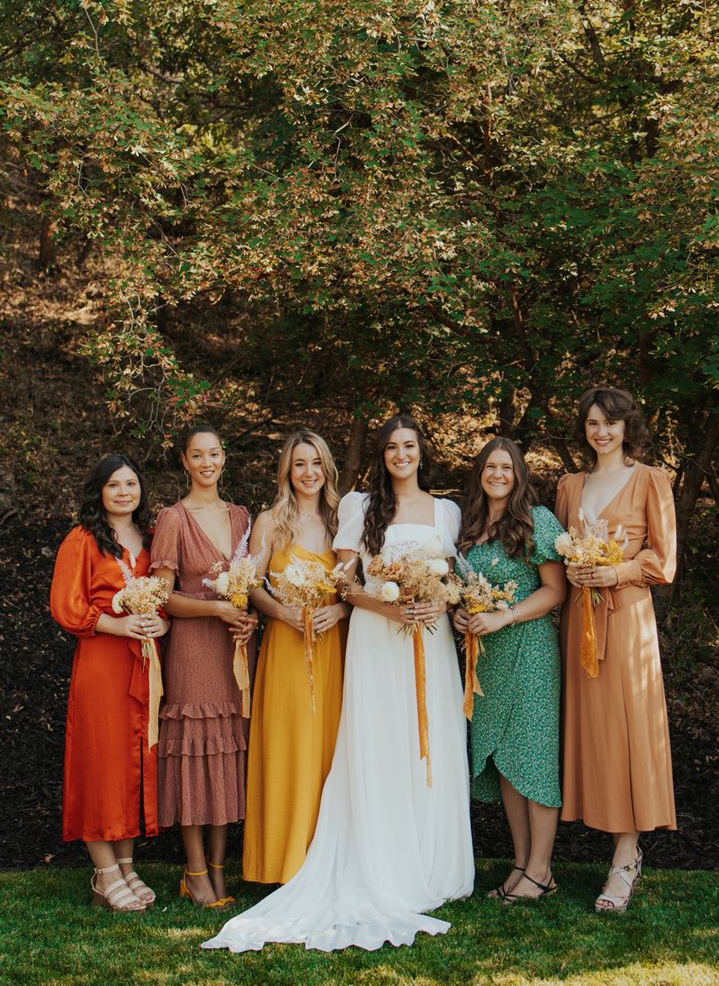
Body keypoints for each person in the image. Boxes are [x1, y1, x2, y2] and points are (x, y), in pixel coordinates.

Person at [203, 415, 474, 952]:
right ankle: (377, 860)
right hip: (378, 637)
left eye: (410, 446)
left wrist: (436, 601)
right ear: (381, 455)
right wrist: (387, 607)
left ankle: (432, 866)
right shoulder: (360, 507)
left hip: (431, 638)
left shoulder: (448, 510)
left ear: (423, 452)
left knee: (433, 748)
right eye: (392, 447)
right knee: (376, 746)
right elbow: (345, 582)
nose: (401, 455)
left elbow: (455, 579)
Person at [555, 387, 677, 912]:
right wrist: (575, 570)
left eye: (611, 423)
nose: (601, 432)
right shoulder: (568, 485)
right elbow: (555, 553)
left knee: (629, 729)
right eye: (592, 424)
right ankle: (610, 841)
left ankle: (626, 857)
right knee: (596, 733)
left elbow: (664, 559)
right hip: (579, 620)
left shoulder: (651, 480)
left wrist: (617, 570)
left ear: (628, 427)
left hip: (627, 621)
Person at [50, 454, 169, 911]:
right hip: (102, 660)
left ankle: (125, 865)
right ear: (99, 491)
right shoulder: (82, 540)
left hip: (143, 660)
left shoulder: (152, 539)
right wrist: (117, 626)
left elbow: (164, 599)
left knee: (133, 759)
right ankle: (103, 872)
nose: (124, 492)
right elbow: (65, 604)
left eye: (131, 483)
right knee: (100, 761)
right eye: (114, 484)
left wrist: (162, 626)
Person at [453, 437, 566, 902]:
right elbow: (462, 588)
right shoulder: (471, 526)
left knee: (533, 760)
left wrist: (505, 615)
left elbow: (555, 591)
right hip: (488, 660)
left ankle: (541, 870)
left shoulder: (537, 520)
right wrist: (461, 614)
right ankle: (523, 862)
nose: (498, 474)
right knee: (504, 762)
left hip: (530, 652)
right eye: (490, 466)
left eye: (507, 467)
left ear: (519, 474)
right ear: (480, 472)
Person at [151, 426, 258, 908]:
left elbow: (252, 588)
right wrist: (215, 609)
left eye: (214, 453)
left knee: (228, 755)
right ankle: (194, 872)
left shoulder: (241, 517)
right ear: (185, 462)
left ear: (224, 457)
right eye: (197, 455)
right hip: (193, 649)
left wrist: (248, 618)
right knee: (195, 757)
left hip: (234, 651)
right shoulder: (173, 519)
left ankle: (218, 871)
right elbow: (164, 597)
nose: (207, 462)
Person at [243, 430, 349, 884]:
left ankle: (328, 863)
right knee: (288, 746)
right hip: (286, 648)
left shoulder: (344, 520)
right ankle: (282, 865)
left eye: (316, 463)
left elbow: (357, 585)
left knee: (330, 749)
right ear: (287, 470)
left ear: (327, 468)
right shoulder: (269, 522)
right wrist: (282, 613)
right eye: (300, 463)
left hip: (334, 648)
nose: (309, 473)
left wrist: (340, 610)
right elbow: (250, 584)